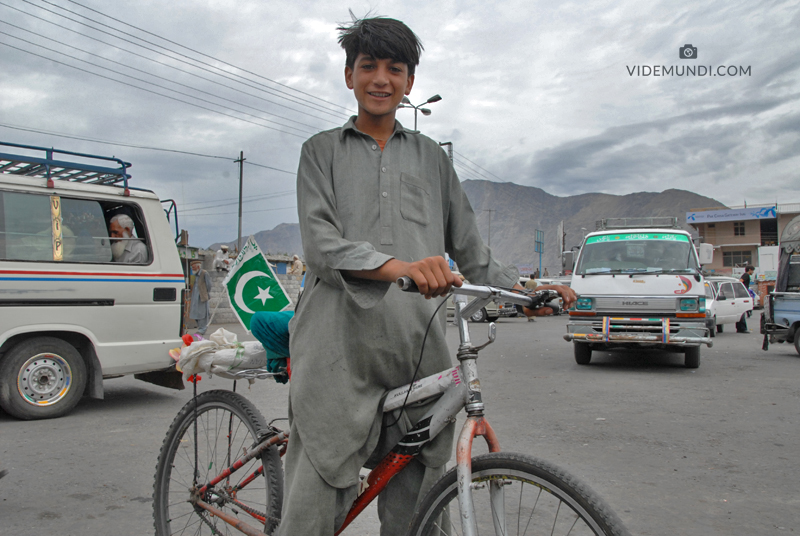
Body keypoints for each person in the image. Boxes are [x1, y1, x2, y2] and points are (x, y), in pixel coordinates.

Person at [281, 15, 575, 536]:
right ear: (349, 76)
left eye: (394, 69)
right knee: (315, 500)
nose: (381, 79)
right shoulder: (319, 152)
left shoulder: (432, 159)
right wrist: (403, 268)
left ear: (409, 83)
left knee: (416, 498)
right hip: (335, 348)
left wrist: (528, 292)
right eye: (368, 66)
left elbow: (472, 251)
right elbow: (322, 246)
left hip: (416, 346)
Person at [188, 259, 212, 336]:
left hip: (201, 297)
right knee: (195, 313)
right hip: (195, 297)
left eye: (194, 267)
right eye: (192, 267)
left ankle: (202, 329)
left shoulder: (204, 273)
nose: (193, 269)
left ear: (198, 266)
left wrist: (205, 293)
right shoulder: (195, 275)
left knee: (202, 314)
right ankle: (200, 328)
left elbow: (209, 285)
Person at [736, 265, 755, 333]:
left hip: (741, 294)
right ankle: (742, 328)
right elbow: (740, 281)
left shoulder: (745, 275)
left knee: (742, 311)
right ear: (749, 270)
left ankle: (740, 327)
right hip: (742, 294)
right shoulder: (746, 275)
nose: (752, 272)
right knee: (743, 311)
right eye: (752, 270)